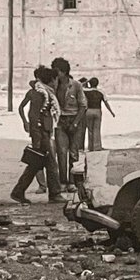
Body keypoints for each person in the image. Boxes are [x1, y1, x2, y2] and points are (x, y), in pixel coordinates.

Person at [11, 67, 64, 204]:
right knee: (50, 163)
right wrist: (36, 137)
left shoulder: (42, 92)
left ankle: (19, 191)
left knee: (36, 164)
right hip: (41, 133)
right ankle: (55, 194)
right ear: (51, 80)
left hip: (43, 132)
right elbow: (33, 115)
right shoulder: (41, 93)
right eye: (55, 80)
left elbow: (24, 109)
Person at [52, 57, 87, 192]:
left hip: (74, 120)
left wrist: (76, 123)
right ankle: (63, 182)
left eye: (58, 71)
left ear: (64, 72)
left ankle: (72, 182)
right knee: (61, 152)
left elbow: (83, 106)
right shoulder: (53, 86)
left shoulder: (76, 85)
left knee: (73, 153)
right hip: (60, 121)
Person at [18, 78, 48, 194]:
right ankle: (42, 184)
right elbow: (21, 107)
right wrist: (25, 122)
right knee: (38, 154)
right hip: (36, 127)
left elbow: (21, 107)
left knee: (40, 155)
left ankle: (43, 184)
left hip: (41, 126)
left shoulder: (45, 94)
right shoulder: (33, 93)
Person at [83, 77, 114, 152]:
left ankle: (90, 147)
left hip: (89, 111)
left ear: (90, 83)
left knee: (90, 130)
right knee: (96, 129)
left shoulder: (86, 91)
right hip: (97, 111)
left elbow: (80, 86)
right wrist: (111, 112)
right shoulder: (101, 92)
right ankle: (96, 147)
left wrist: (86, 81)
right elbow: (106, 103)